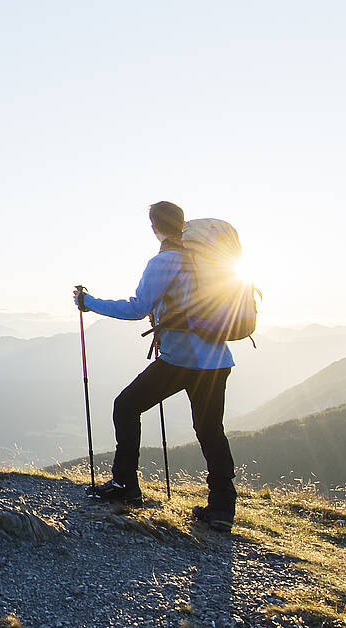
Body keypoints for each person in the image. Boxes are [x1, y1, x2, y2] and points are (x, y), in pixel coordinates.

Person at [74, 200, 237, 531]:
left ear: (154, 227)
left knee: (126, 406)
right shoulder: (206, 261)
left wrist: (88, 303)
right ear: (183, 224)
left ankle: (125, 486)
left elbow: (137, 309)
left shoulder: (164, 262)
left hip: (181, 360)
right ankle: (222, 506)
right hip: (218, 360)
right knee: (210, 430)